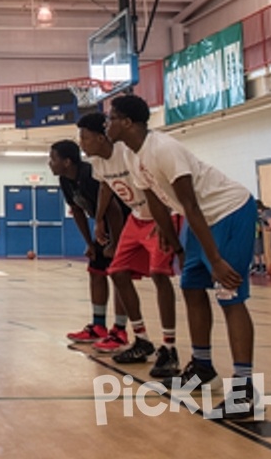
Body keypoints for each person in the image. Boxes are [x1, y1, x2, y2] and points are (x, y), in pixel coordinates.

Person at [105, 94, 259, 420]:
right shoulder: (134, 156)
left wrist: (215, 259)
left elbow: (190, 204)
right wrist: (174, 243)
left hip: (228, 212)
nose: (107, 124)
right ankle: (203, 367)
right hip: (200, 221)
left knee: (229, 295)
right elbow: (157, 203)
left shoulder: (164, 148)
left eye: (111, 118)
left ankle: (244, 392)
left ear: (128, 122)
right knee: (190, 287)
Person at [77, 113, 181, 378]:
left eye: (85, 138)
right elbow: (105, 189)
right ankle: (142, 340)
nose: (81, 143)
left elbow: (158, 182)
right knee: (117, 272)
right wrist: (99, 220)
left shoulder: (127, 151)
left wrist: (164, 216)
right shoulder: (97, 161)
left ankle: (169, 348)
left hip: (162, 216)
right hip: (137, 217)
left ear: (101, 137)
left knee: (159, 275)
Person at [48, 138, 128, 348]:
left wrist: (116, 243)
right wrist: (90, 244)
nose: (49, 163)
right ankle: (98, 326)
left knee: (119, 275)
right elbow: (77, 211)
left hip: (122, 224)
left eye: (52, 158)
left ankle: (120, 331)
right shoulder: (65, 180)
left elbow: (114, 209)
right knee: (96, 271)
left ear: (67, 162)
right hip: (104, 228)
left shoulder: (90, 174)